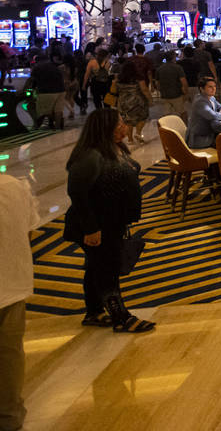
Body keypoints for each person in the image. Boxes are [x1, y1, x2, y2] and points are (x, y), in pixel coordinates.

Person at [62, 108, 154, 333]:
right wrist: (91, 229)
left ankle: (94, 312)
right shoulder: (90, 156)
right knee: (107, 269)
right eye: (119, 123)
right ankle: (121, 317)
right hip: (95, 225)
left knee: (96, 267)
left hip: (112, 221)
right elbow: (78, 194)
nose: (124, 126)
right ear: (105, 128)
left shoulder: (113, 148)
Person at [0, 171, 38, 431]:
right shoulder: (14, 186)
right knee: (9, 355)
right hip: (11, 285)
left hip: (11, 284)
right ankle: (9, 417)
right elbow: (29, 234)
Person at [115, 50, 151, 144]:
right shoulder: (138, 77)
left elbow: (116, 89)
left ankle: (130, 139)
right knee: (142, 117)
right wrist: (150, 99)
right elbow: (144, 89)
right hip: (137, 101)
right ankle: (138, 133)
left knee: (127, 120)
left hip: (123, 101)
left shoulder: (119, 78)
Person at [26, 53, 65, 130]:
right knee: (58, 110)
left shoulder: (37, 67)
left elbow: (31, 79)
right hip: (61, 90)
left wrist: (25, 89)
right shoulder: (54, 66)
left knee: (44, 110)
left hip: (46, 91)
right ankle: (57, 128)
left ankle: (37, 125)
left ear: (37, 61)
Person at [155, 50, 189, 119]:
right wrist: (186, 92)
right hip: (176, 94)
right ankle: (185, 127)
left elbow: (157, 83)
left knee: (167, 115)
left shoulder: (159, 68)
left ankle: (169, 128)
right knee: (182, 112)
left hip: (164, 94)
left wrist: (160, 90)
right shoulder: (178, 68)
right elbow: (184, 82)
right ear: (173, 57)